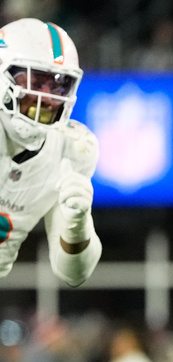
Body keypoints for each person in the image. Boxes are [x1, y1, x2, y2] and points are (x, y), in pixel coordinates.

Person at [0, 18, 101, 287]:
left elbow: (73, 274)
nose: (45, 96)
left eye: (57, 85)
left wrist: (77, 224)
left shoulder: (73, 147)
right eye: (34, 80)